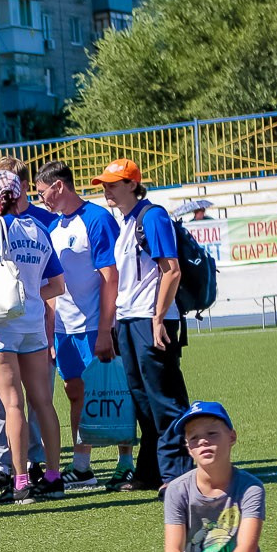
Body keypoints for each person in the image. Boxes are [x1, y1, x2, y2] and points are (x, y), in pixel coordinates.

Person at [117, 400, 277, 552]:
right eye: (194, 438)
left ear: (232, 437)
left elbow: (246, 548)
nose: (203, 441)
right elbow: (173, 550)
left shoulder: (251, 487)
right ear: (188, 449)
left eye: (212, 433)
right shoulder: (177, 489)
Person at [0, 168, 66, 502]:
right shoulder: (39, 228)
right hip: (34, 324)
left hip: (2, 326)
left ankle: (20, 481)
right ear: (20, 193)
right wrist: (30, 293)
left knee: (11, 404)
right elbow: (57, 286)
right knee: (43, 403)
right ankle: (53, 475)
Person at [95, 159, 191, 490]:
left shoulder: (153, 216)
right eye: (105, 183)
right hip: (130, 318)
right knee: (142, 400)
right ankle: (151, 472)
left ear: (133, 184)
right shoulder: (126, 221)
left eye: (114, 182)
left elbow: (172, 269)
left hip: (150, 319)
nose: (106, 188)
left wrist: (159, 318)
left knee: (164, 400)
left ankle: (178, 474)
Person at [33, 162, 122, 485]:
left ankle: (125, 459)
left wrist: (104, 328)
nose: (41, 199)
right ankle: (82, 467)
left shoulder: (97, 219)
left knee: (112, 390)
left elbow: (110, 277)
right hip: (64, 328)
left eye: (43, 193)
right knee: (75, 392)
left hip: (94, 323)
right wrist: (51, 331)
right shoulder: (53, 226)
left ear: (59, 187)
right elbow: (54, 282)